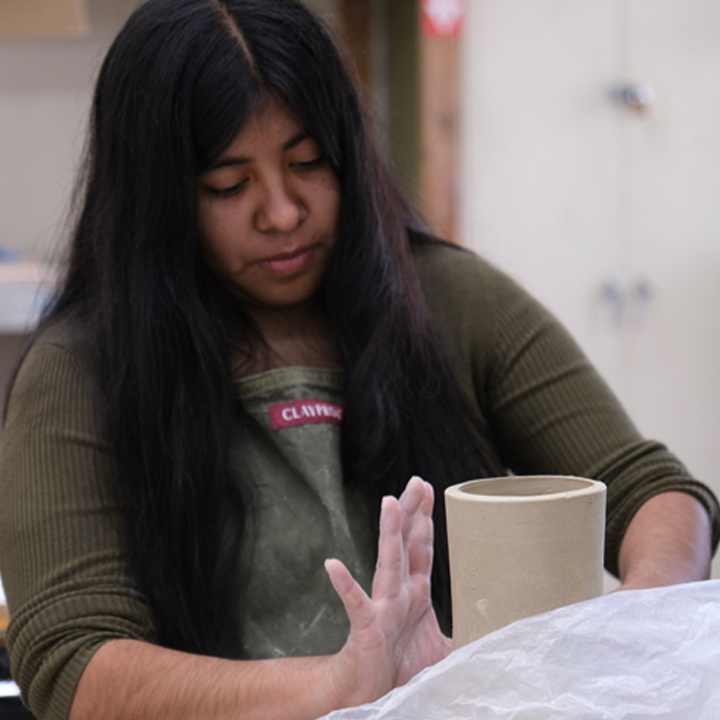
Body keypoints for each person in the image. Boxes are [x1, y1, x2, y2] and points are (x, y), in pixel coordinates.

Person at [0, 1, 717, 719]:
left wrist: (627, 627)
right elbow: (76, 661)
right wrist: (338, 686)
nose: (282, 212)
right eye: (229, 184)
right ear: (156, 199)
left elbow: (652, 489)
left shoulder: (447, 301)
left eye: (308, 163)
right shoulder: (78, 373)